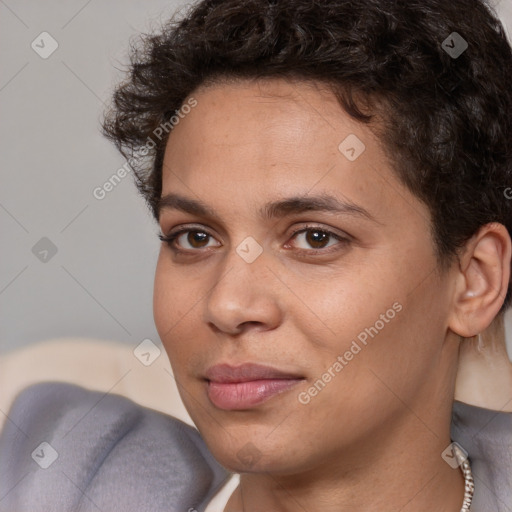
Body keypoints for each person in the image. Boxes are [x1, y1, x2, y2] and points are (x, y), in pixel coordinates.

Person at [1, 0, 511, 510]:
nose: (226, 306)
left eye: (315, 238)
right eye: (195, 237)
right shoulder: (62, 471)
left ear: (476, 279)